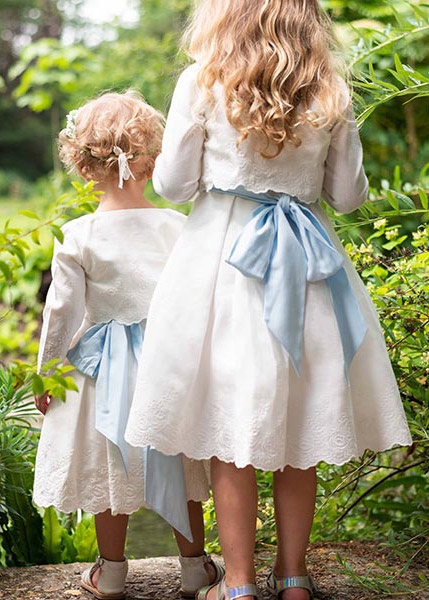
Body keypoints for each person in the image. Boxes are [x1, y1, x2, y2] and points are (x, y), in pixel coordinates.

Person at [125, 1, 414, 599]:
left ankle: (236, 584)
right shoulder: (329, 87)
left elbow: (174, 185)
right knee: (299, 418)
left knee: (230, 424)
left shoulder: (201, 78)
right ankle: (294, 578)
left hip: (220, 262)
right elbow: (348, 194)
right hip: (306, 259)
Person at [33, 91, 224, 600]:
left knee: (108, 467)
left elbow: (62, 312)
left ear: (83, 163)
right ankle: (194, 569)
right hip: (167, 362)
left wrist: (47, 371)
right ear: (153, 160)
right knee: (181, 464)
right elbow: (195, 300)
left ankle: (111, 574)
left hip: (102, 371)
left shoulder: (78, 235)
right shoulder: (178, 227)